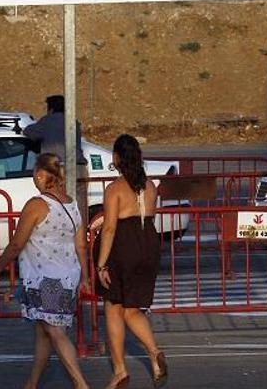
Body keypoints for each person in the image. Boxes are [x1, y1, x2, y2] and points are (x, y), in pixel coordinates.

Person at [0, 153, 90, 389]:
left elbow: (16, 244)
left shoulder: (37, 205)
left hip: (44, 279)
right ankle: (31, 383)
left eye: (34, 173)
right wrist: (85, 276)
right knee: (44, 330)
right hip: (67, 277)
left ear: (42, 175)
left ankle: (81, 384)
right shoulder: (72, 203)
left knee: (54, 331)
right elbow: (81, 244)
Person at [94, 134, 167, 389]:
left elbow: (111, 228)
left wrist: (101, 264)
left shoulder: (114, 189)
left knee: (114, 307)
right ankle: (154, 353)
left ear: (116, 158)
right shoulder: (150, 187)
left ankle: (119, 371)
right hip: (149, 242)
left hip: (124, 246)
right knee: (133, 309)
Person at [23, 95, 89, 218]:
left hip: (59, 171)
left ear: (50, 109)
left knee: (60, 211)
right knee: (80, 211)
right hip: (79, 169)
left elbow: (28, 132)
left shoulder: (47, 121)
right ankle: (81, 236)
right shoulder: (74, 122)